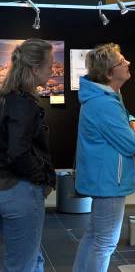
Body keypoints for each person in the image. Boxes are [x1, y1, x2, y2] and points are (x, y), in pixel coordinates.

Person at [73, 43, 135, 272]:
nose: (128, 63)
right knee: (104, 243)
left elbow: (126, 118)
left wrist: (132, 122)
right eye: (122, 62)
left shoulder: (108, 96)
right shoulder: (104, 103)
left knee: (94, 236)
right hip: (109, 181)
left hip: (106, 177)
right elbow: (131, 143)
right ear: (109, 72)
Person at [0, 38, 56, 272]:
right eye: (50, 65)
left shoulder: (7, 98)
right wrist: (41, 177)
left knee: (28, 259)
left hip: (8, 188)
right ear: (35, 69)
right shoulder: (22, 103)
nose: (53, 70)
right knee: (22, 264)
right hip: (19, 191)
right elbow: (18, 151)